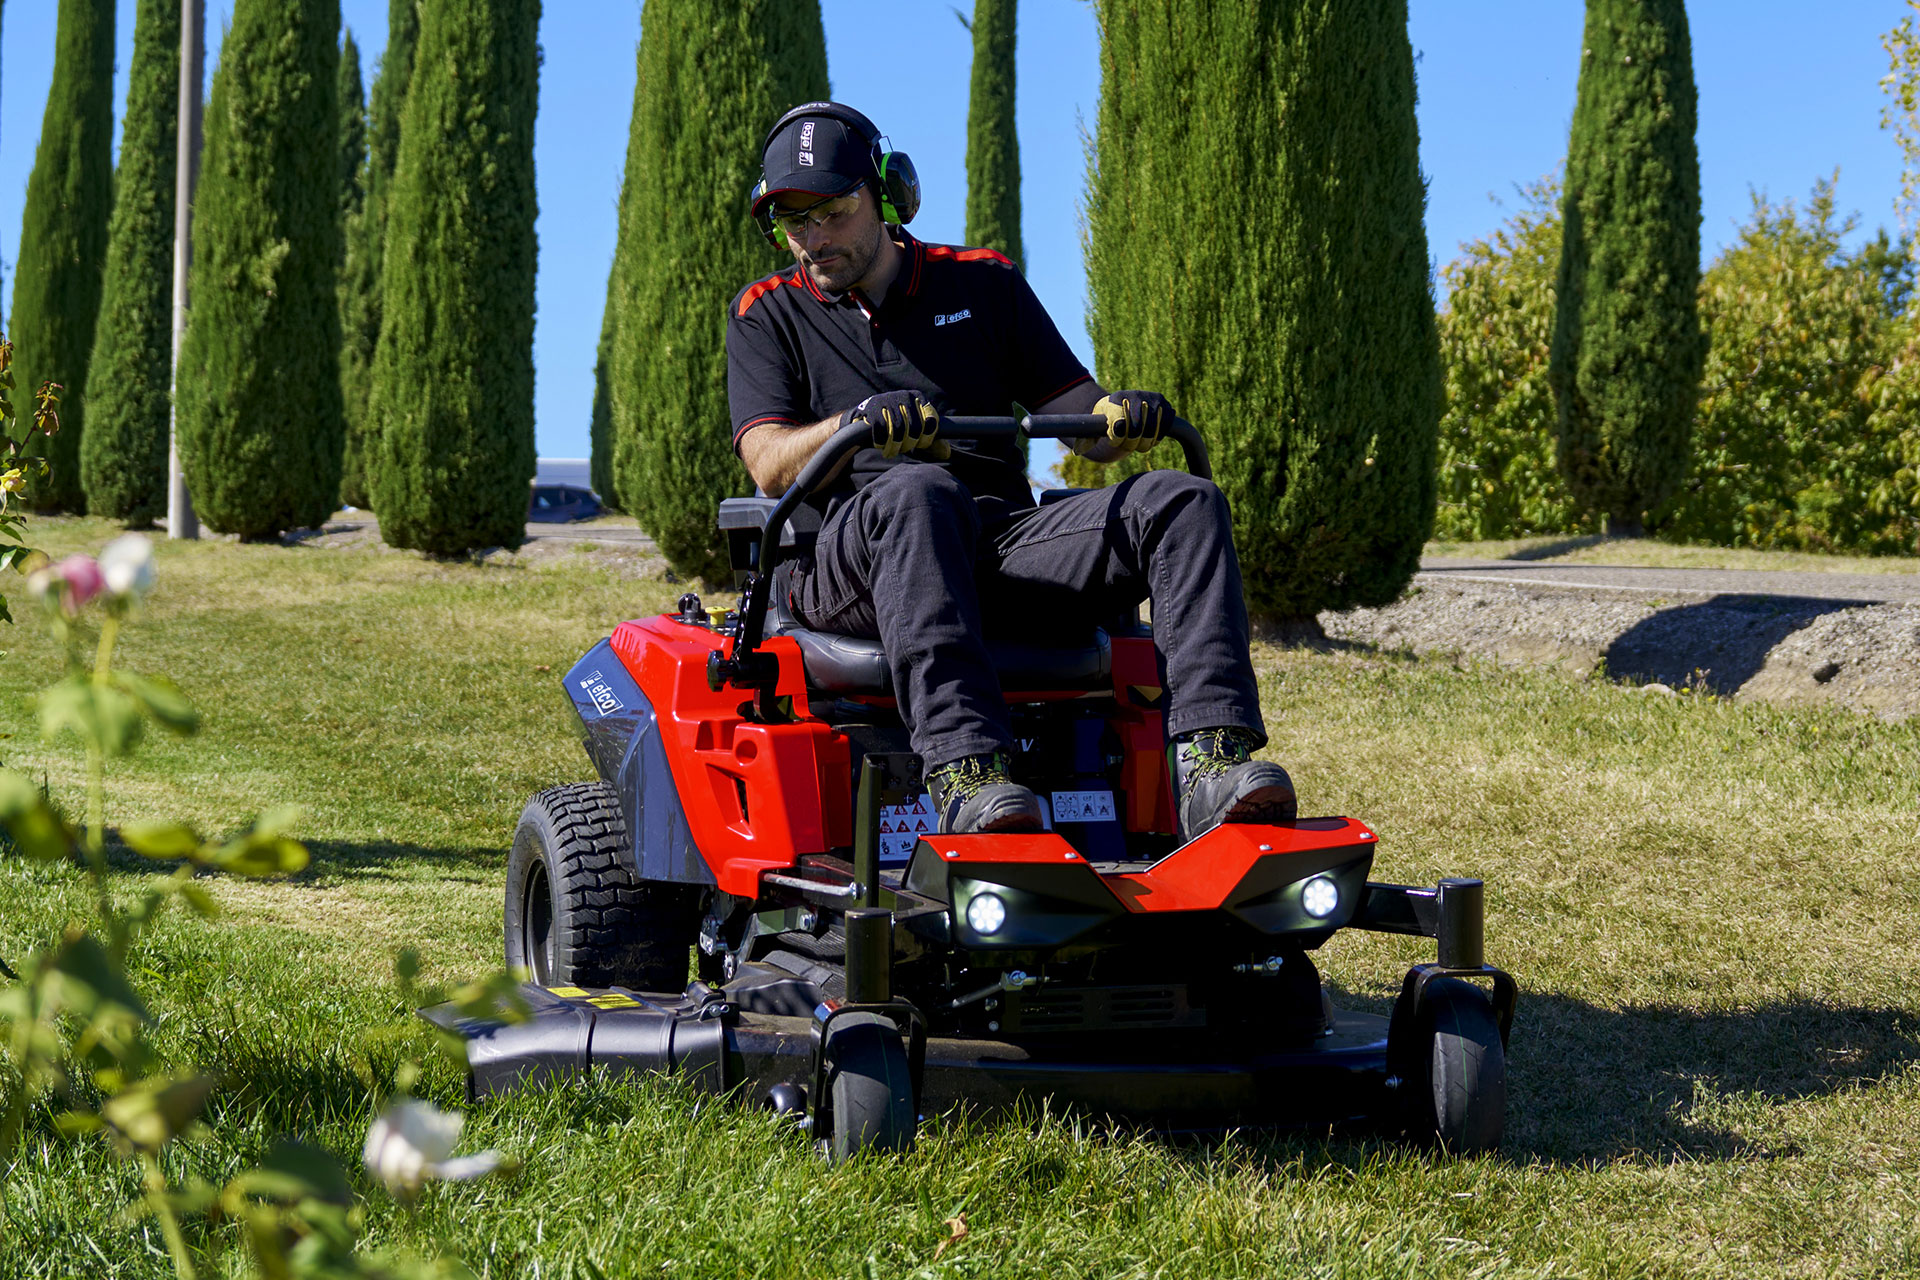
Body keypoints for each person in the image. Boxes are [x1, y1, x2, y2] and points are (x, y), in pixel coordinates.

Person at [726, 101, 1294, 839]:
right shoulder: (765, 313)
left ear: (889, 195)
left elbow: (1082, 418)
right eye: (793, 222)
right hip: (846, 566)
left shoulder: (984, 283)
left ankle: (1212, 765)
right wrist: (855, 424)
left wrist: (1120, 417)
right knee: (918, 492)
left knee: (1182, 500)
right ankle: (968, 777)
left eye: (833, 213)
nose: (813, 239)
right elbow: (769, 463)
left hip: (994, 542)